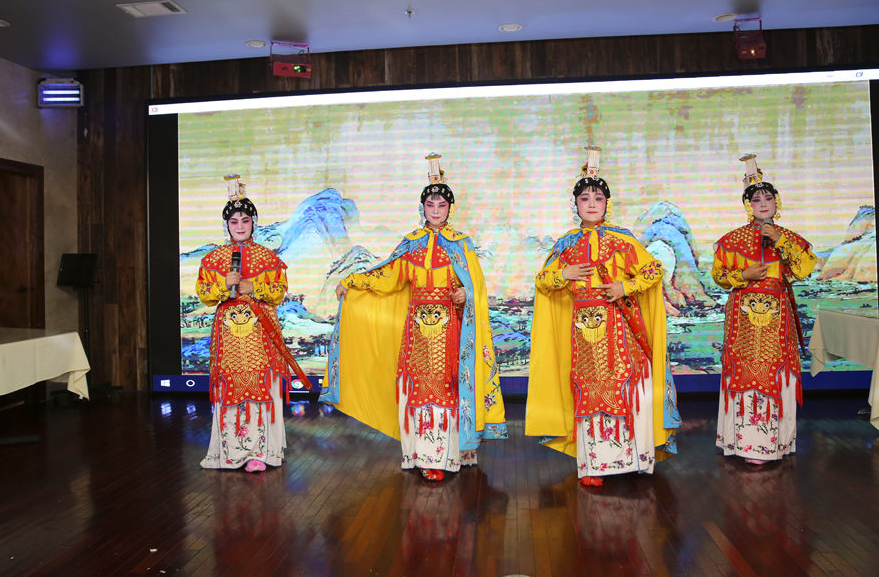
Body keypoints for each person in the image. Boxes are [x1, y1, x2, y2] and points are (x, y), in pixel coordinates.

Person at [320, 153, 507, 481]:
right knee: (418, 389)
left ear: (450, 209)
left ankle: (449, 453)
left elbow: (476, 287)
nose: (435, 210)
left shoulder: (462, 245)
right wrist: (352, 282)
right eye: (430, 205)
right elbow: (386, 276)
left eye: (441, 205)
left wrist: (466, 295)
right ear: (423, 208)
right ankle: (421, 454)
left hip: (450, 332)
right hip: (417, 333)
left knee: (447, 388)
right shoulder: (411, 244)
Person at [526, 146, 679, 487]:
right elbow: (542, 281)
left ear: (607, 203)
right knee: (589, 391)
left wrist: (627, 286)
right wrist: (563, 274)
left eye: (598, 197)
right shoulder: (566, 244)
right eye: (585, 198)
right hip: (583, 335)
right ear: (575, 205)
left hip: (620, 329)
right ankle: (595, 464)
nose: (592, 203)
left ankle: (632, 459)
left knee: (628, 387)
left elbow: (653, 270)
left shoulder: (622, 240)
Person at [712, 154, 818, 465]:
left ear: (776, 202)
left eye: (768, 198)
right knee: (744, 372)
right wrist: (743, 275)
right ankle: (742, 443)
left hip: (778, 321)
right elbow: (718, 275)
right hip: (743, 321)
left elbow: (804, 269)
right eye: (755, 199)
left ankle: (777, 444)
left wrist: (780, 240)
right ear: (748, 205)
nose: (762, 203)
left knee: (777, 373)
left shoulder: (789, 238)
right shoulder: (732, 240)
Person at [196, 174, 301, 472]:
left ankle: (261, 452)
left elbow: (279, 291)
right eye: (234, 221)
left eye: (245, 220)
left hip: (260, 336)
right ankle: (228, 453)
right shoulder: (214, 259)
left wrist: (253, 288)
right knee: (230, 387)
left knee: (260, 387)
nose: (240, 226)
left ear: (254, 222)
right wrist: (223, 286)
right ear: (226, 225)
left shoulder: (268, 258)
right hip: (228, 339)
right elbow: (204, 293)